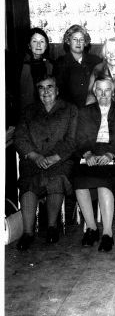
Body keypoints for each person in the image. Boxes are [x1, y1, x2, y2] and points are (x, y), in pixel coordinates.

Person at [14, 74, 78, 250]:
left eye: (50, 87)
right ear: (37, 92)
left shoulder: (70, 110)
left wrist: (55, 157)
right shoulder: (28, 111)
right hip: (33, 160)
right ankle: (27, 233)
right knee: (28, 182)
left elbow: (72, 140)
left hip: (60, 160)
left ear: (57, 90)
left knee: (57, 179)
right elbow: (19, 137)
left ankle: (52, 227)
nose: (46, 91)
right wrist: (34, 156)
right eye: (41, 88)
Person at [74, 76, 115, 252]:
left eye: (107, 90)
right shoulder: (85, 112)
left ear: (113, 92)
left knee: (104, 183)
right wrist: (88, 153)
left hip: (114, 155)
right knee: (79, 181)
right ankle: (91, 228)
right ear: (94, 92)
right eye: (100, 90)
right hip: (91, 154)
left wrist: (110, 153)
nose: (103, 94)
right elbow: (80, 138)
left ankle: (107, 233)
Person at [56, 24, 102, 108]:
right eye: (75, 39)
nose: (78, 43)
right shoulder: (61, 63)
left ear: (85, 43)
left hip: (92, 109)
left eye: (81, 40)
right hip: (69, 110)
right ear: (68, 41)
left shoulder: (95, 61)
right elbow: (60, 93)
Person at [19, 28, 55, 108]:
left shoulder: (51, 65)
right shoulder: (20, 65)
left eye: (42, 41)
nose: (38, 45)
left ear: (46, 46)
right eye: (34, 41)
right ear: (29, 45)